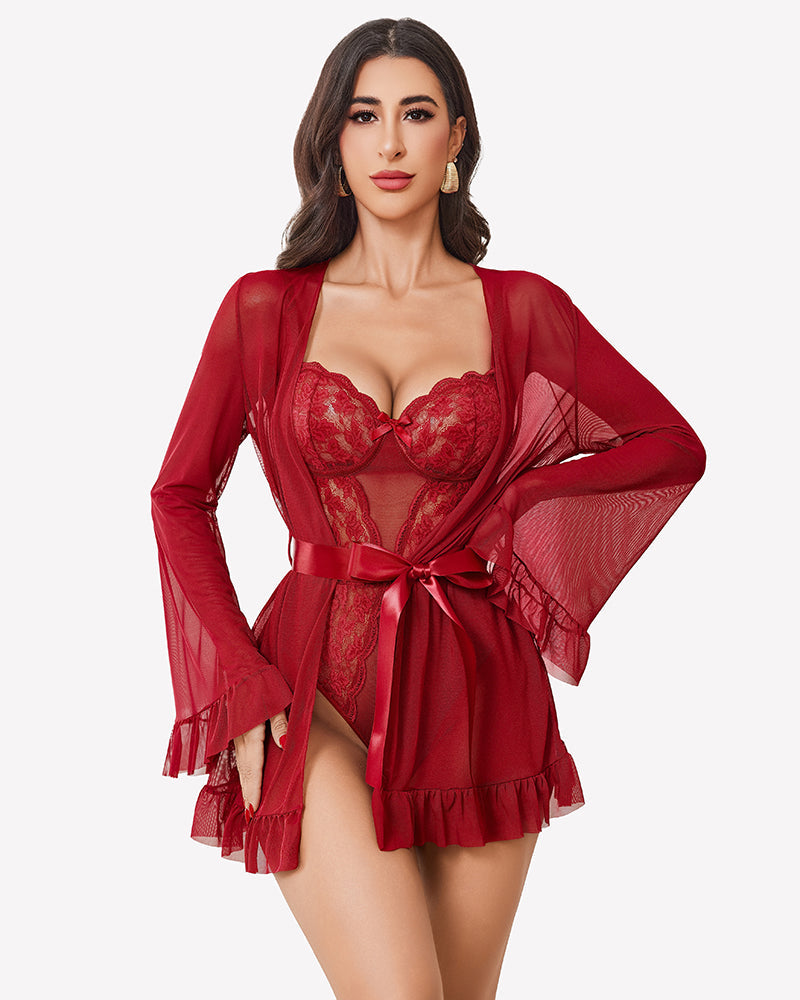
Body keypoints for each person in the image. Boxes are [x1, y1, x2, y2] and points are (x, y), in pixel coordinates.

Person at [150, 17, 705, 1000]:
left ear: (456, 137)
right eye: (364, 116)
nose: (391, 142)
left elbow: (668, 445)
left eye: (416, 113)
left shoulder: (522, 308)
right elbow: (180, 497)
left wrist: (517, 510)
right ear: (332, 140)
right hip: (307, 683)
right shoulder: (262, 310)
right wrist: (236, 677)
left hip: (479, 695)